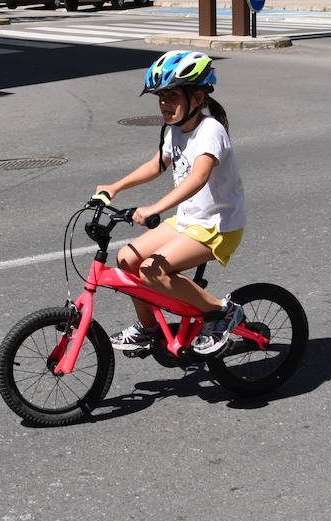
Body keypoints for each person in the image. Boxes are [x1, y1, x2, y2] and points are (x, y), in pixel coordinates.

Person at [94, 50, 246, 357]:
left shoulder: (210, 130)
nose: (165, 104)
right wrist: (114, 187)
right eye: (160, 97)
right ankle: (149, 330)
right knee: (126, 259)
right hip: (189, 220)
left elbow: (198, 177)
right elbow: (157, 165)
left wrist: (154, 208)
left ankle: (222, 311)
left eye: (172, 96)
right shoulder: (175, 131)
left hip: (219, 225)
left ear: (198, 96)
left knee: (152, 270)